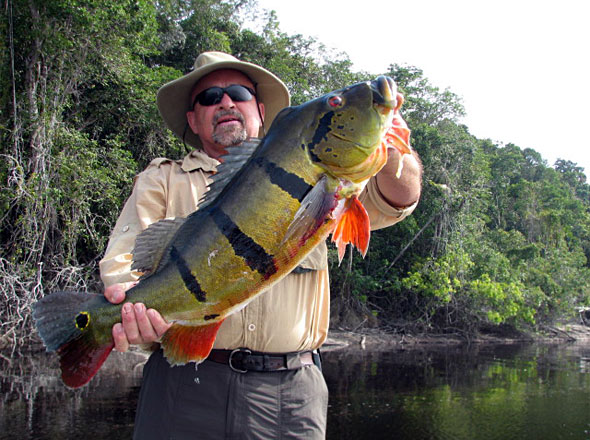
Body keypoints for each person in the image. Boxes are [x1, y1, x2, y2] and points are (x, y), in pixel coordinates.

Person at [99, 51, 422, 439]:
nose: (225, 102)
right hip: (182, 387)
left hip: (291, 394)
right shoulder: (162, 179)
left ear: (261, 108)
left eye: (238, 92)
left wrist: (395, 149)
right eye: (208, 97)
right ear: (192, 119)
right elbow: (124, 262)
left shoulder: (330, 173)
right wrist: (130, 312)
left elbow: (398, 200)